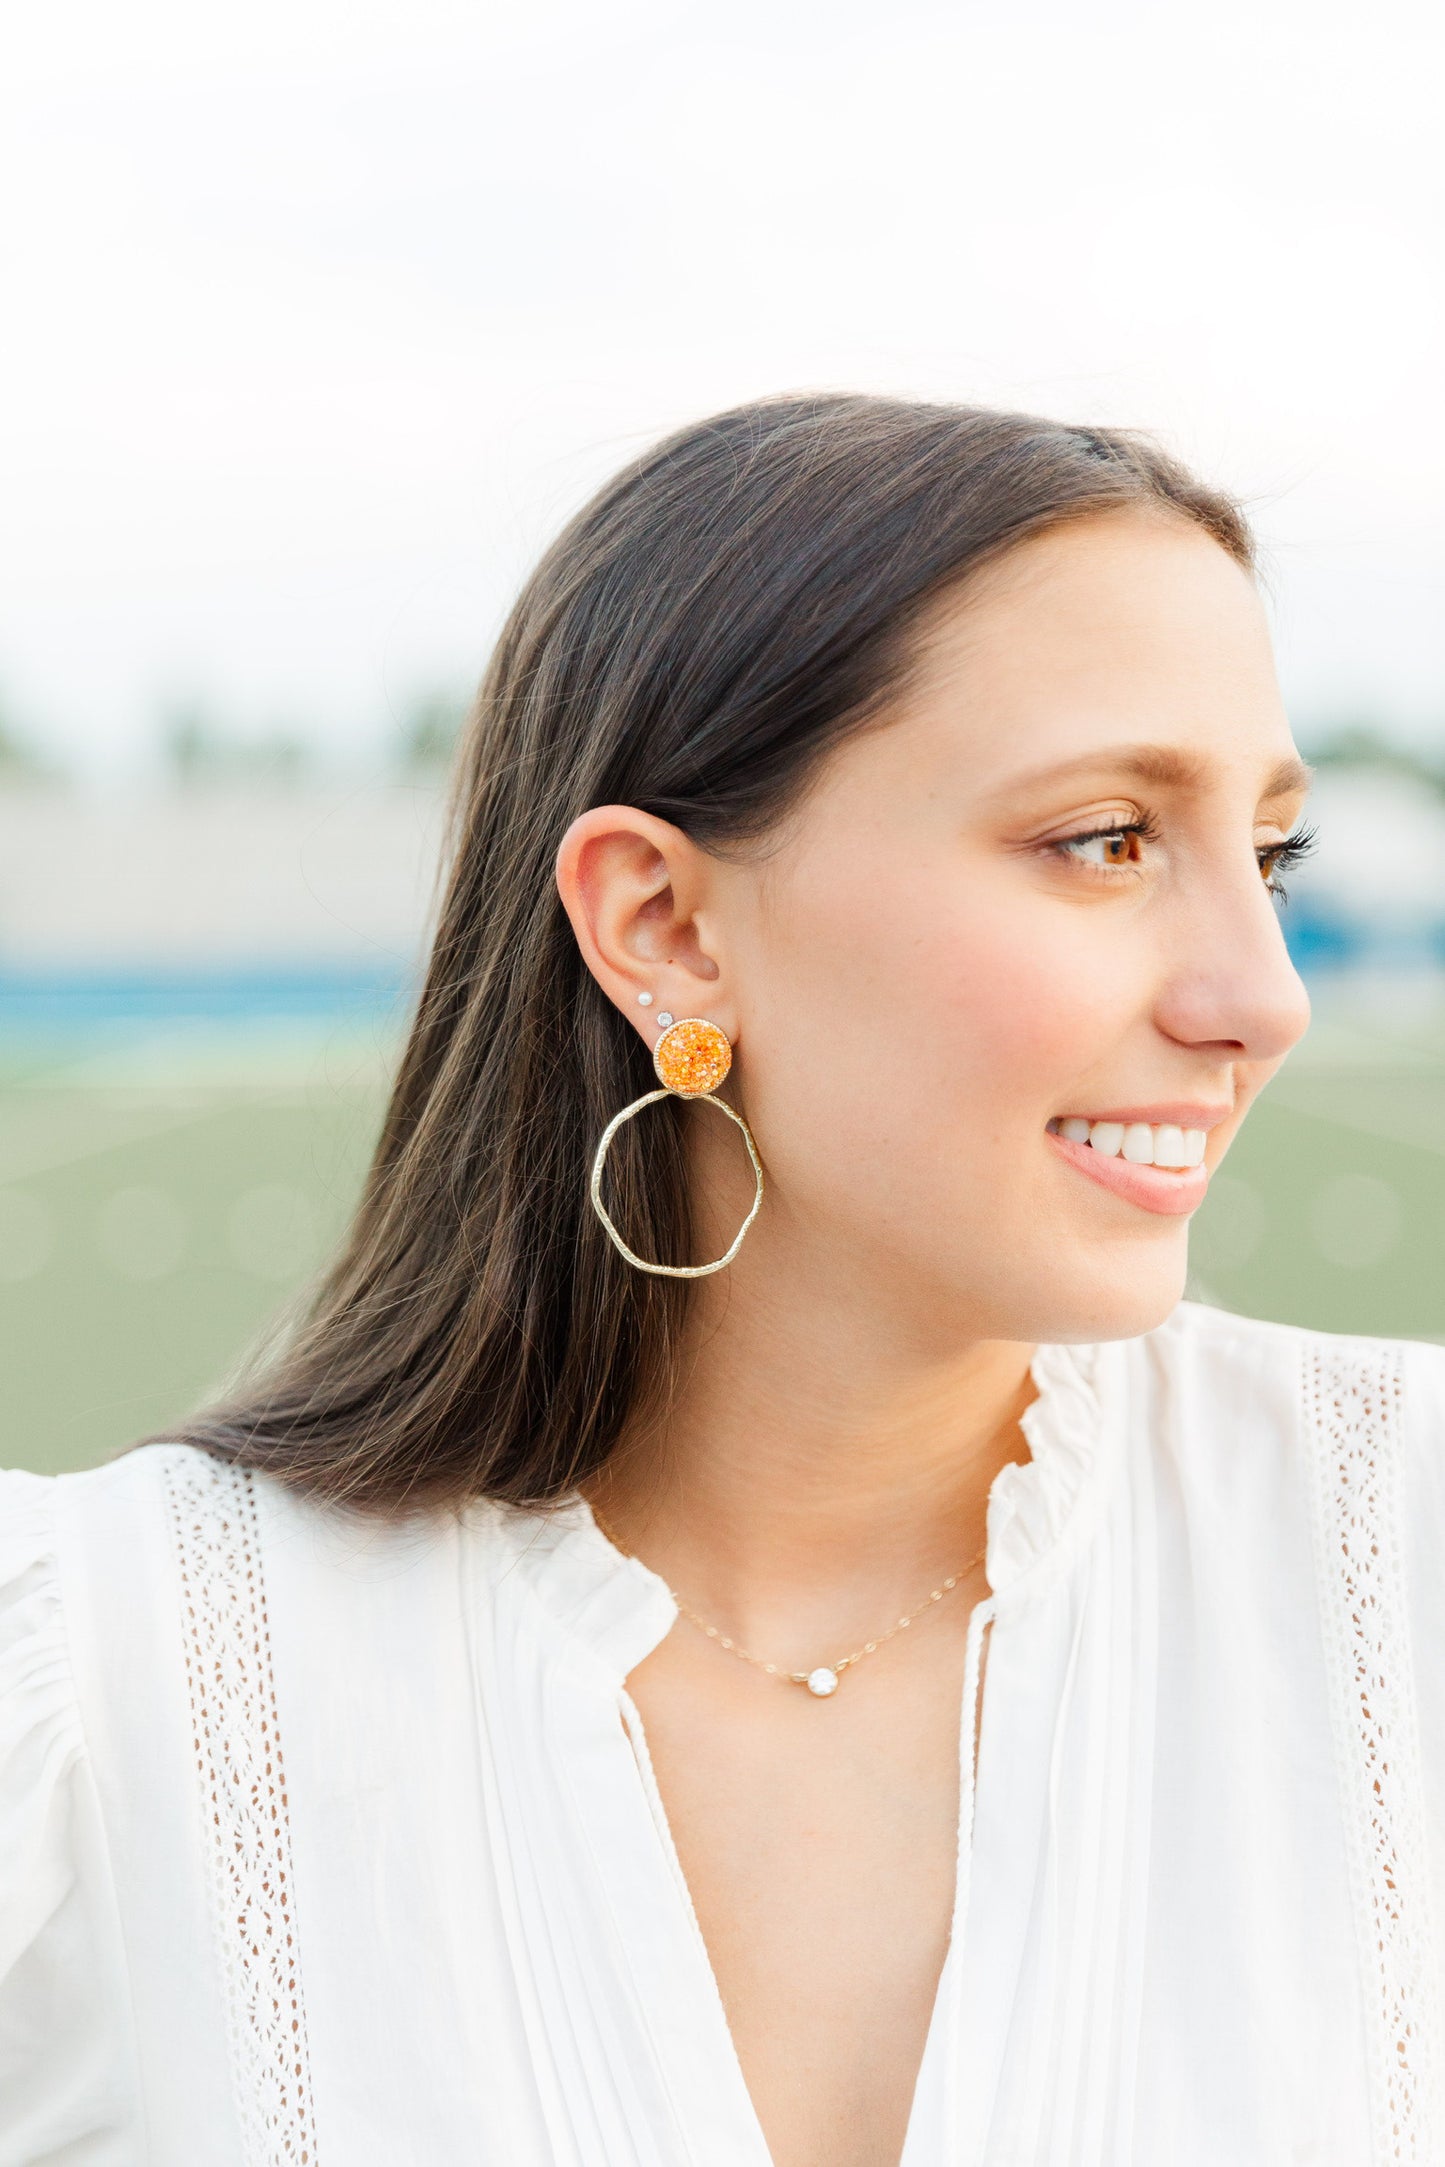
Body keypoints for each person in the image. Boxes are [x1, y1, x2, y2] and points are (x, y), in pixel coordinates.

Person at [3, 395, 1442, 2167]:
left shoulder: (1405, 1558)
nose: (1263, 994)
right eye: (1105, 840)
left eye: (1268, 854)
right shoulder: (109, 1697)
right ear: (666, 927)